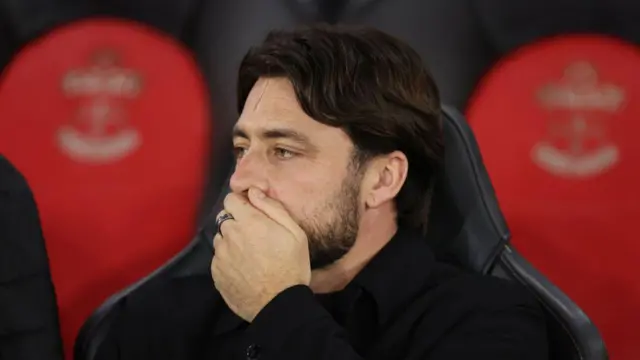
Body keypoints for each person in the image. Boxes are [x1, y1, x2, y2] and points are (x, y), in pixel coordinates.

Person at [94, 24, 548, 360]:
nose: (240, 180)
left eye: (284, 151)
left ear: (383, 179)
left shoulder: (488, 322)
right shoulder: (156, 320)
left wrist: (276, 310)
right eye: (241, 148)